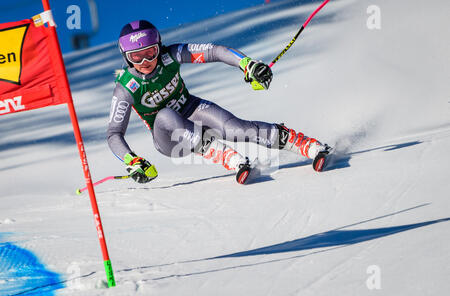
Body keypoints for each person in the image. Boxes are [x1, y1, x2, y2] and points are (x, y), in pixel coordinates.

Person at [107, 20, 330, 185]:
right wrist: (132, 160)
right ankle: (226, 156)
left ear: (159, 47)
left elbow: (214, 51)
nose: (145, 61)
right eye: (136, 57)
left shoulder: (171, 55)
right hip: (169, 139)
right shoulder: (126, 87)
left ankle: (304, 144)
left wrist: (247, 64)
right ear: (126, 57)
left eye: (150, 52)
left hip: (191, 108)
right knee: (164, 114)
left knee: (236, 129)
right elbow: (114, 133)